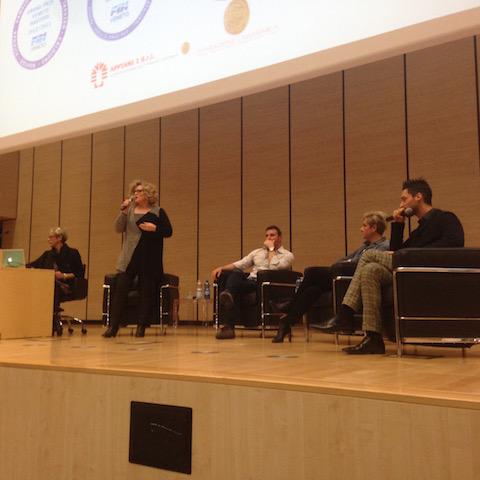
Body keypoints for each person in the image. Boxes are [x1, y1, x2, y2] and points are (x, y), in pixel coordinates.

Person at [318, 178, 464, 354]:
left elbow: (454, 243)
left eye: (404, 199)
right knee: (370, 270)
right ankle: (373, 338)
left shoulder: (445, 218)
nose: (401, 204)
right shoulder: (418, 231)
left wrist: (413, 255)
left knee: (369, 254)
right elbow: (396, 251)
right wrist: (398, 225)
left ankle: (345, 314)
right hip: (407, 271)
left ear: (418, 197)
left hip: (427, 270)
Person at [272, 211, 390, 343]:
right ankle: (286, 322)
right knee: (312, 290)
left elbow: (361, 264)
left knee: (311, 272)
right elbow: (343, 260)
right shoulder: (364, 246)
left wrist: (345, 264)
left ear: (374, 228)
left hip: (354, 279)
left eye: (364, 225)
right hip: (341, 275)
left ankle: (289, 305)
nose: (361, 229)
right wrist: (344, 264)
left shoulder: (384, 246)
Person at [102, 180, 172, 338]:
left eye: (139, 191)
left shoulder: (158, 211)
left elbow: (168, 231)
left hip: (148, 258)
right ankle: (113, 327)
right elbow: (118, 228)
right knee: (120, 291)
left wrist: (155, 229)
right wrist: (123, 212)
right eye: (135, 191)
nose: (136, 193)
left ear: (148, 194)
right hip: (129, 258)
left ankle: (141, 327)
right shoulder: (129, 211)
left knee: (146, 293)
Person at [212, 225, 294, 339]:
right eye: (267, 235)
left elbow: (273, 268)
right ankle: (228, 295)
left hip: (265, 285)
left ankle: (229, 326)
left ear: (280, 238)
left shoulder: (287, 255)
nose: (269, 238)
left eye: (272, 235)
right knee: (235, 273)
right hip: (250, 282)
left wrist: (271, 250)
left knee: (235, 290)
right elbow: (241, 264)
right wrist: (221, 268)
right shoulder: (257, 252)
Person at [27, 227, 84, 336]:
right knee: (44, 287)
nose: (48, 239)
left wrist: (64, 275)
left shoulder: (73, 253)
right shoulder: (47, 255)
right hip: (49, 285)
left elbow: (79, 273)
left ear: (59, 238)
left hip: (68, 286)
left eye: (51, 237)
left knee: (52, 287)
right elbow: (32, 264)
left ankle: (51, 319)